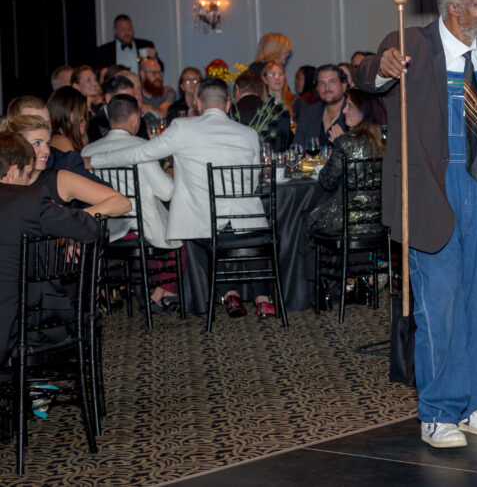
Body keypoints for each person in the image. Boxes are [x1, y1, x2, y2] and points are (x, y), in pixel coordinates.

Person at [354, 0, 477, 449]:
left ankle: (471, 404)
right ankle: (437, 412)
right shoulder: (412, 44)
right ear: (452, 8)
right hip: (434, 189)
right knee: (440, 305)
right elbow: (366, 72)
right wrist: (381, 67)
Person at [83, 78, 275, 318]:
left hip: (202, 226)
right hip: (248, 223)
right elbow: (254, 180)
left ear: (197, 103)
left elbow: (141, 153)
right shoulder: (248, 134)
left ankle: (223, 295)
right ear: (227, 105)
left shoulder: (183, 128)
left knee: (193, 235)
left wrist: (95, 161)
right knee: (230, 230)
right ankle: (262, 298)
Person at [0, 131, 101, 366]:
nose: (29, 182)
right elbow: (90, 230)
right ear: (13, 171)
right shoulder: (29, 199)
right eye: (27, 175)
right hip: (19, 329)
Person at [82, 95, 182, 308]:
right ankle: (163, 292)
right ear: (136, 118)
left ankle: (157, 293)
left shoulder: (87, 152)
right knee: (179, 229)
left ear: (109, 116)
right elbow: (166, 193)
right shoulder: (143, 147)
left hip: (103, 228)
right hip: (140, 227)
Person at [0, 115, 130, 221]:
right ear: (17, 145)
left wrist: (71, 221)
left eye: (47, 143)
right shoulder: (6, 179)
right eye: (37, 143)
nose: (46, 151)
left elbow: (122, 203)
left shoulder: (59, 180)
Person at [306, 89, 386, 237]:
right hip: (380, 220)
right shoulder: (384, 142)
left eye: (349, 106)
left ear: (363, 111)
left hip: (345, 221)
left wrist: (340, 143)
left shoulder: (345, 142)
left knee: (305, 217)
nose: (344, 111)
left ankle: (325, 260)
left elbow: (327, 181)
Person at [6, 96, 108, 186]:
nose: (44, 129)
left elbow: (111, 196)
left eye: (47, 123)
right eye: (35, 123)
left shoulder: (66, 163)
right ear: (14, 127)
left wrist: (58, 209)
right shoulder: (4, 161)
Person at [233, 71, 291, 152]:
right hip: (272, 163)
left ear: (237, 89)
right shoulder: (279, 112)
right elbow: (284, 146)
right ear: (262, 90)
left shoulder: (230, 112)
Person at [294, 64, 347, 149]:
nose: (326, 88)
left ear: (344, 86)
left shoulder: (354, 113)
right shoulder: (309, 113)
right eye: (322, 83)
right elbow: (298, 148)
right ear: (317, 88)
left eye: (332, 81)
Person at [87, 74, 150, 142]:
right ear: (108, 98)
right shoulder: (93, 125)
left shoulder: (139, 122)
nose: (128, 103)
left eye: (131, 99)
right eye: (123, 98)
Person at [92, 14, 156, 71]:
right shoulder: (104, 51)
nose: (127, 32)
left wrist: (154, 59)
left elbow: (160, 70)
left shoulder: (144, 45)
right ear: (115, 31)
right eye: (122, 29)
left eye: (129, 28)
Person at [47, 86, 90, 153]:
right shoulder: (60, 140)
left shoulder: (72, 140)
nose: (82, 118)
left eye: (84, 112)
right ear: (62, 113)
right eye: (77, 113)